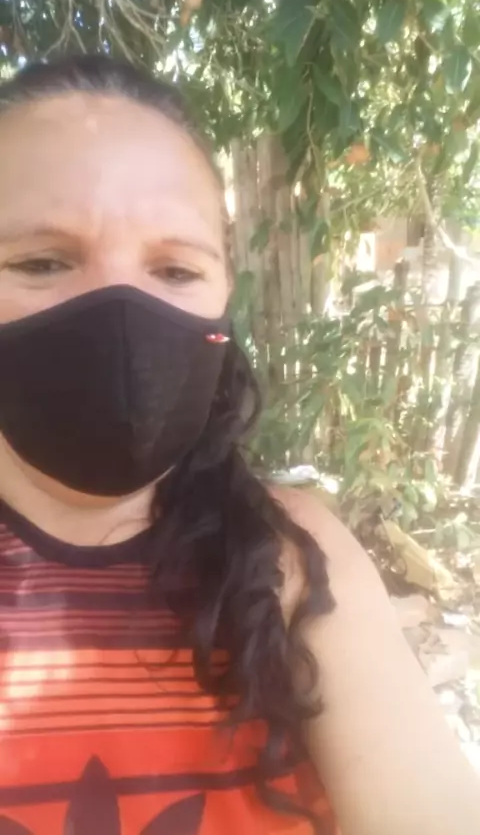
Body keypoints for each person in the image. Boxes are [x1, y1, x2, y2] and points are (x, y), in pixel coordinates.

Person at [0, 56, 478, 835]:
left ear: (225, 301)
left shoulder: (290, 559)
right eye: (42, 261)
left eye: (174, 268)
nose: (118, 311)